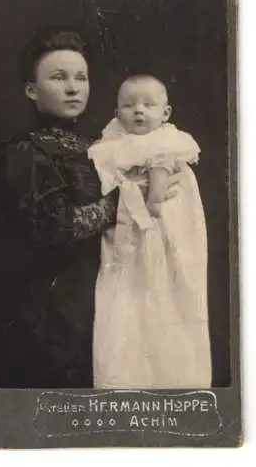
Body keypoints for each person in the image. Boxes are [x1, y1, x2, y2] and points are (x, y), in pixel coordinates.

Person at [0, 31, 182, 388]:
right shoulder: (27, 152)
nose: (72, 88)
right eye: (57, 77)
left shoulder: (99, 145)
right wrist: (125, 202)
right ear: (32, 90)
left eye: (80, 78)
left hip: (111, 294)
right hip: (59, 309)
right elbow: (55, 226)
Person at [89, 74, 212, 389]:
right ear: (117, 114)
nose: (139, 111)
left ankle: (177, 377)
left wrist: (153, 193)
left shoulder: (170, 139)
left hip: (168, 227)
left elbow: (166, 165)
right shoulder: (112, 144)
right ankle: (125, 379)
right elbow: (107, 179)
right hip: (128, 229)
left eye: (148, 104)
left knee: (171, 292)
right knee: (127, 298)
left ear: (166, 112)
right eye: (129, 106)